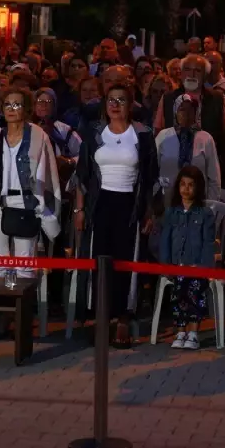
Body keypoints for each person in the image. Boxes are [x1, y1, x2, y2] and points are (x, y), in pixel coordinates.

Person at [72, 81, 159, 348]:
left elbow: (151, 178)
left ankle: (123, 317)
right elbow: (82, 175)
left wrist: (150, 212)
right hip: (99, 204)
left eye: (121, 100)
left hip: (130, 206)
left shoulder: (143, 135)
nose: (115, 104)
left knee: (126, 261)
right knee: (98, 259)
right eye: (111, 99)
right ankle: (99, 316)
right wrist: (79, 209)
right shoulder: (94, 132)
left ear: (131, 105)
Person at [0, 86, 62, 336]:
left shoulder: (38, 136)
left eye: (17, 104)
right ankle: (4, 314)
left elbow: (47, 171)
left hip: (26, 204)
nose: (12, 109)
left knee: (24, 264)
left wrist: (40, 197)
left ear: (27, 109)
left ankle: (22, 316)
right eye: (7, 104)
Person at [159, 165, 216, 350]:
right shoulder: (171, 213)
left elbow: (208, 243)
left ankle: (193, 332)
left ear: (198, 187)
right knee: (178, 292)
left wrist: (204, 268)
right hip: (177, 265)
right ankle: (181, 331)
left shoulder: (205, 214)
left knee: (194, 290)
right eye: (183, 184)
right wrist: (166, 265)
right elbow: (165, 241)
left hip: (197, 266)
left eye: (191, 185)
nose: (186, 189)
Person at [156, 94, 223, 202]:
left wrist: (210, 204)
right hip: (167, 199)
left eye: (191, 110)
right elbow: (152, 171)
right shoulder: (163, 136)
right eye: (182, 109)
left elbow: (214, 178)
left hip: (198, 202)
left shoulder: (205, 138)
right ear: (175, 111)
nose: (186, 114)